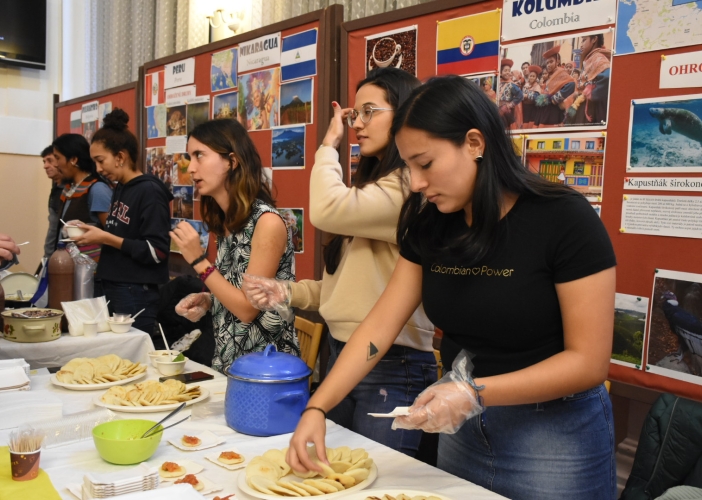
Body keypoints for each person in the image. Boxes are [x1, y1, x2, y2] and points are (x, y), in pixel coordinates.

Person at [287, 75, 617, 500]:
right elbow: (378, 328)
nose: (418, 183)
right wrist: (318, 406)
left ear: (475, 143)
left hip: (554, 436)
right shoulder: (429, 225)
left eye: (425, 163)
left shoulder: (562, 219)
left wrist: (474, 393)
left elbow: (589, 362)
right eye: (408, 166)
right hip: (459, 425)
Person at [243, 68, 436, 457]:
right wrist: (288, 292)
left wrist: (329, 144)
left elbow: (325, 210)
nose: (358, 125)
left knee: (375, 483)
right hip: (343, 355)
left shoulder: (407, 189)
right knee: (333, 477)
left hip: (392, 362)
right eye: (354, 116)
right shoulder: (374, 191)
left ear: (405, 114)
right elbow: (344, 289)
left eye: (369, 112)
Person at [170, 119, 299, 373]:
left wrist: (198, 261)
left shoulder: (266, 222)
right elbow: (235, 290)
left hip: (265, 371)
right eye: (189, 157)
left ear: (232, 161)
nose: (191, 168)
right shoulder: (228, 221)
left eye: (199, 156)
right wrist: (209, 300)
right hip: (230, 364)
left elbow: (247, 309)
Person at [70, 109, 172, 337]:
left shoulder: (150, 191)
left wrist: (105, 237)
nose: (97, 169)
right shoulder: (121, 187)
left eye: (100, 160)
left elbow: (157, 251)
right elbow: (124, 234)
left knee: (133, 358)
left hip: (135, 291)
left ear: (120, 157)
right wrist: (95, 232)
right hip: (114, 285)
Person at [52, 133, 112, 264]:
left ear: (73, 159)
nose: (56, 164)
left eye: (57, 158)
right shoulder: (68, 189)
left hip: (92, 270)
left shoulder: (97, 189)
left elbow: (112, 234)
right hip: (69, 266)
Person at [568, 34, 611, 126]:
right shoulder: (590, 59)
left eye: (584, 40)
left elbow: (608, 77)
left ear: (594, 39)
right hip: (584, 108)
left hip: (591, 111)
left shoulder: (599, 58)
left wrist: (590, 94)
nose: (581, 45)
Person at [534, 45, 575, 128]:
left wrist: (554, 99)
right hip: (545, 111)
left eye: (551, 62)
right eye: (547, 63)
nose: (548, 65)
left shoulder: (561, 73)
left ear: (557, 61)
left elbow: (571, 84)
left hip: (553, 112)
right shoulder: (551, 75)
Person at [41, 145, 65, 262]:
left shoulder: (70, 190)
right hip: (51, 256)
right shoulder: (56, 188)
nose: (45, 166)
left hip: (64, 258)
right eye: (44, 161)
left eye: (50, 160)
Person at [498, 59, 523, 129]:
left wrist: (509, 105)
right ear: (501, 72)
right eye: (505, 70)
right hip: (497, 110)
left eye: (509, 71)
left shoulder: (512, 85)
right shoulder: (498, 83)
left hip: (507, 112)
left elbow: (520, 96)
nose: (507, 72)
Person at [521, 65, 543, 129]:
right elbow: (521, 95)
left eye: (533, 76)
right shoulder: (525, 85)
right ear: (528, 76)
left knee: (531, 123)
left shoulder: (537, 86)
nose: (532, 78)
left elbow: (536, 98)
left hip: (533, 108)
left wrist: (527, 95)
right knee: (525, 122)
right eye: (530, 76)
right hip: (525, 108)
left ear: (536, 78)